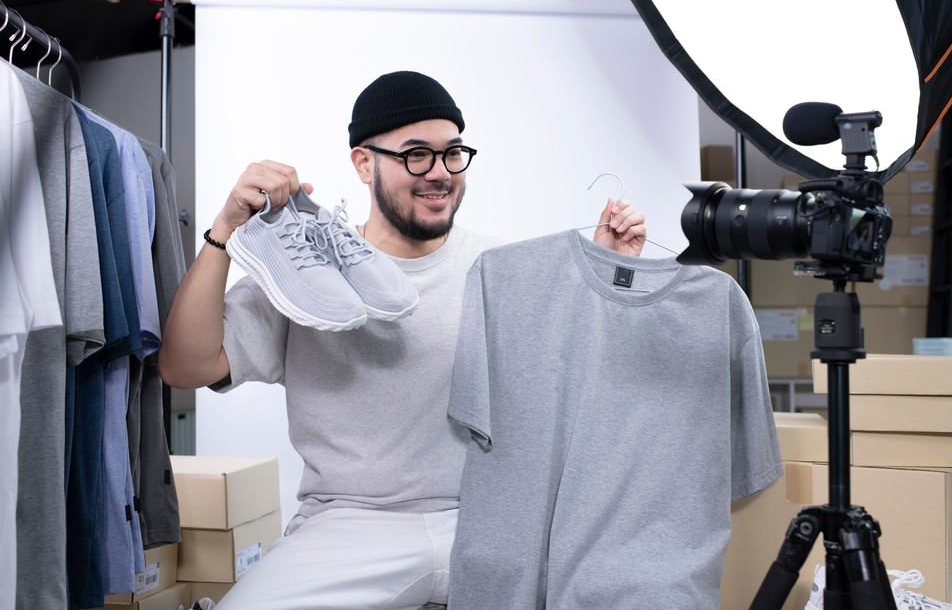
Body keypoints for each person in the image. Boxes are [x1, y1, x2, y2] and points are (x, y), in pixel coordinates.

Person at [157, 70, 648, 610]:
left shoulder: (504, 270)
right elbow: (185, 367)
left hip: (487, 518)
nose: (440, 173)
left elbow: (588, 391)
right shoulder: (305, 275)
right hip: (349, 525)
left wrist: (609, 279)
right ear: (364, 163)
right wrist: (224, 230)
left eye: (452, 153)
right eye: (417, 154)